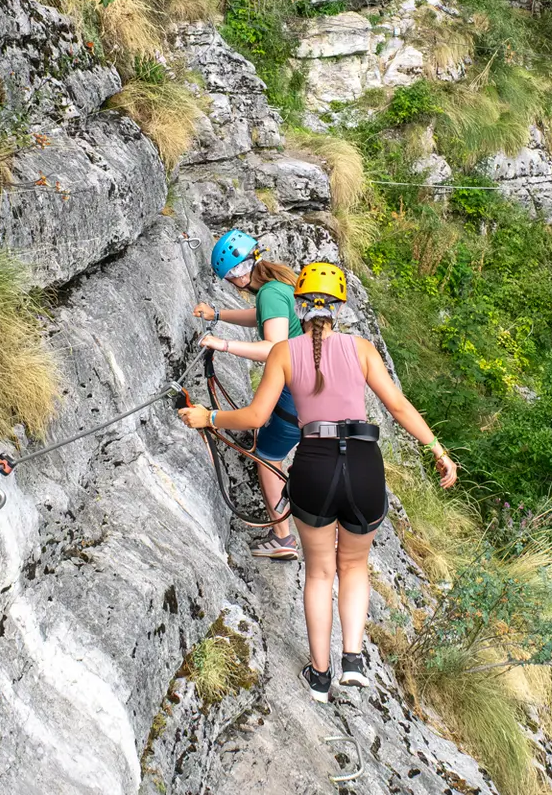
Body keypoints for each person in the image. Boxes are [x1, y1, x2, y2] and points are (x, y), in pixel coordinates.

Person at [179, 261, 457, 702]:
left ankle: (320, 676)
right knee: (354, 566)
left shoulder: (284, 353)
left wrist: (207, 417)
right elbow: (399, 406)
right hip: (364, 466)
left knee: (320, 572)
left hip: (315, 466)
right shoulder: (361, 349)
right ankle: (353, 660)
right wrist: (438, 451)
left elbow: (256, 417)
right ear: (339, 309)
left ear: (299, 305)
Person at [194, 229, 304, 559]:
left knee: (268, 457)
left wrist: (223, 344)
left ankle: (282, 537)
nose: (232, 285)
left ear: (237, 276)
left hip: (294, 394)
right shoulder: (279, 285)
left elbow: (273, 347)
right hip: (310, 389)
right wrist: (217, 315)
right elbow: (261, 318)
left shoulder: (269, 293)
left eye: (229, 280)